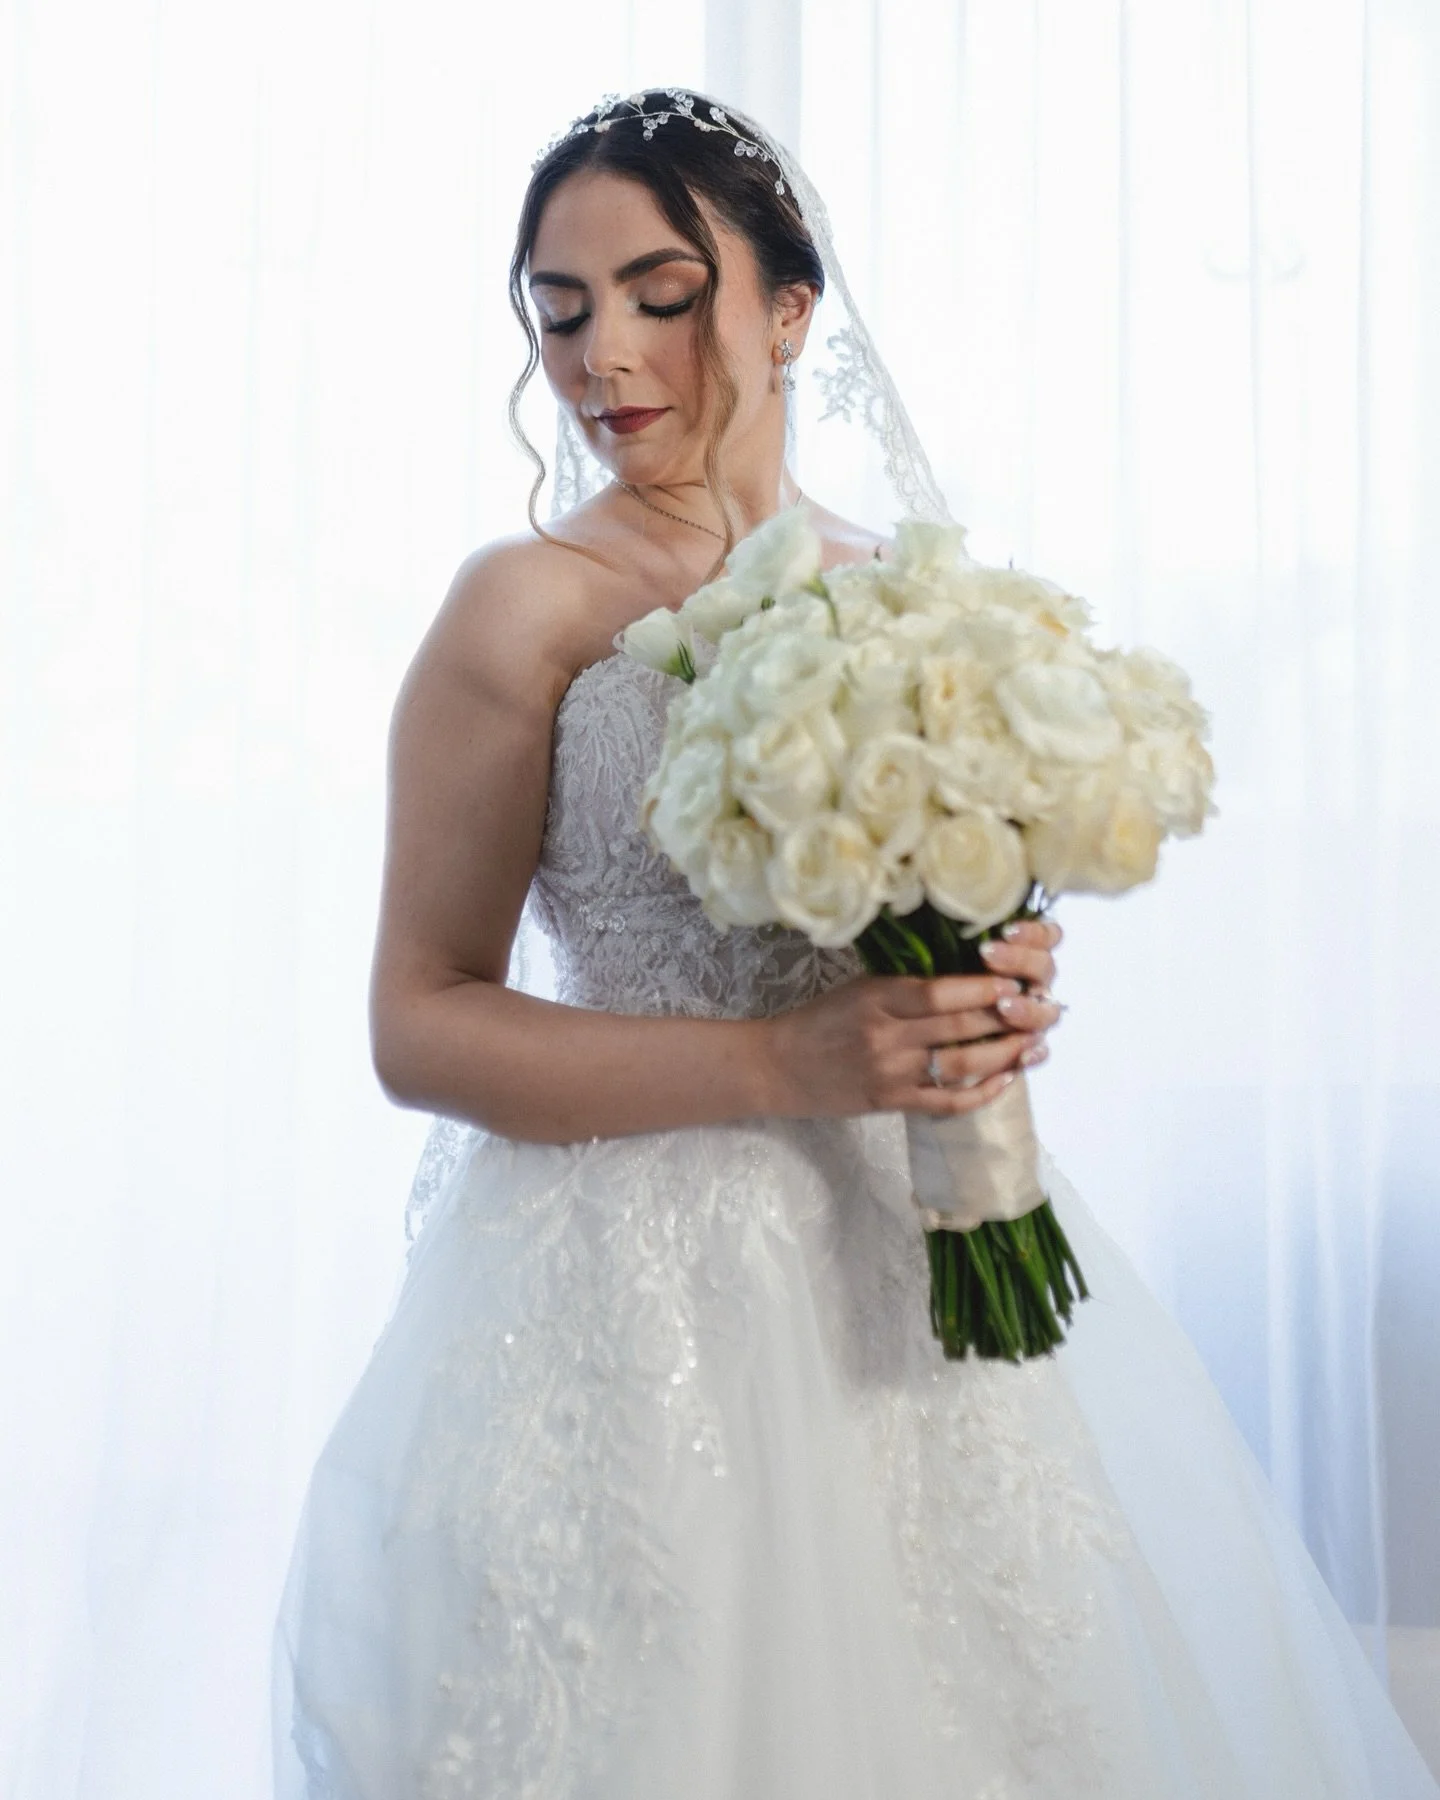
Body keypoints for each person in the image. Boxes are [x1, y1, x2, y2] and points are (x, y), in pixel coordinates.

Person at [272, 90, 1437, 1800]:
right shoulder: (521, 605)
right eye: (561, 310)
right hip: (623, 1298)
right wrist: (780, 1061)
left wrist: (987, 983)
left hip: (906, 1272)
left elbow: (930, 917)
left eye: (663, 295)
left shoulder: (917, 600)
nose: (604, 357)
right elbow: (419, 1020)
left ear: (790, 308)